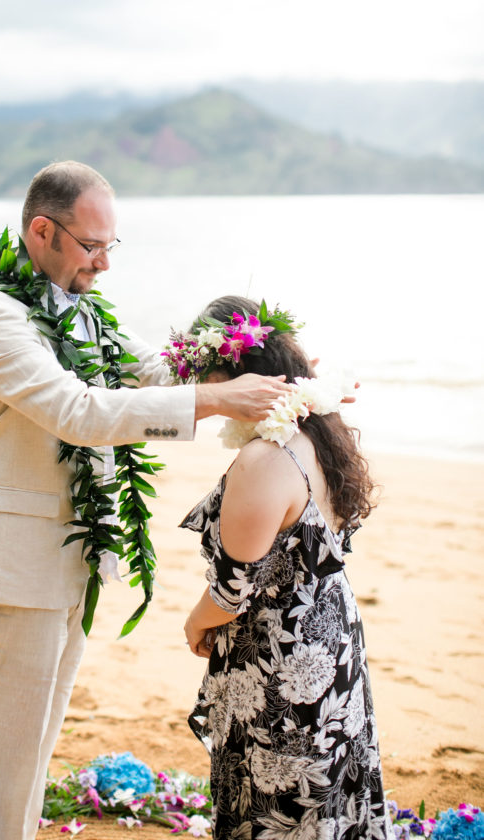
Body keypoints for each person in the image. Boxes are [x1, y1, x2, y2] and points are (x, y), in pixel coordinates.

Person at [0, 163, 295, 840]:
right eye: (91, 245)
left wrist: (252, 364)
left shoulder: (82, 312)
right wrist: (215, 399)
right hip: (10, 569)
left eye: (111, 246)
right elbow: (80, 411)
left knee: (33, 747)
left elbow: (151, 372)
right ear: (43, 231)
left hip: (72, 562)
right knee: (1, 758)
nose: (103, 263)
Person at [177, 296, 393, 839]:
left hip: (284, 653)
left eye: (209, 378)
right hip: (331, 634)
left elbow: (234, 586)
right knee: (328, 783)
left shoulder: (264, 458)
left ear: (231, 372)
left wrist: (195, 622)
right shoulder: (319, 431)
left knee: (276, 795)